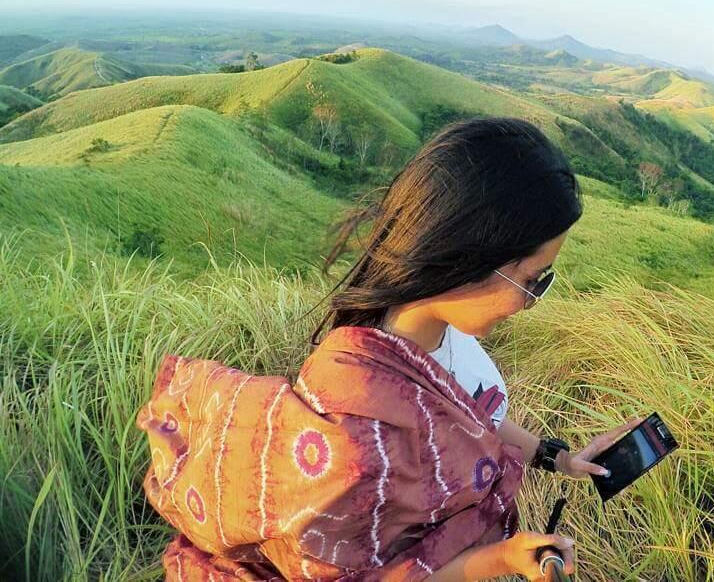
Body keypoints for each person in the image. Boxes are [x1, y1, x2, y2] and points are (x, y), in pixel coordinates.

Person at [138, 116, 643, 580]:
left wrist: (560, 459)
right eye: (535, 280)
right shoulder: (359, 427)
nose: (534, 301)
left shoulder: (439, 328)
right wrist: (503, 560)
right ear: (467, 262)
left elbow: (477, 413)